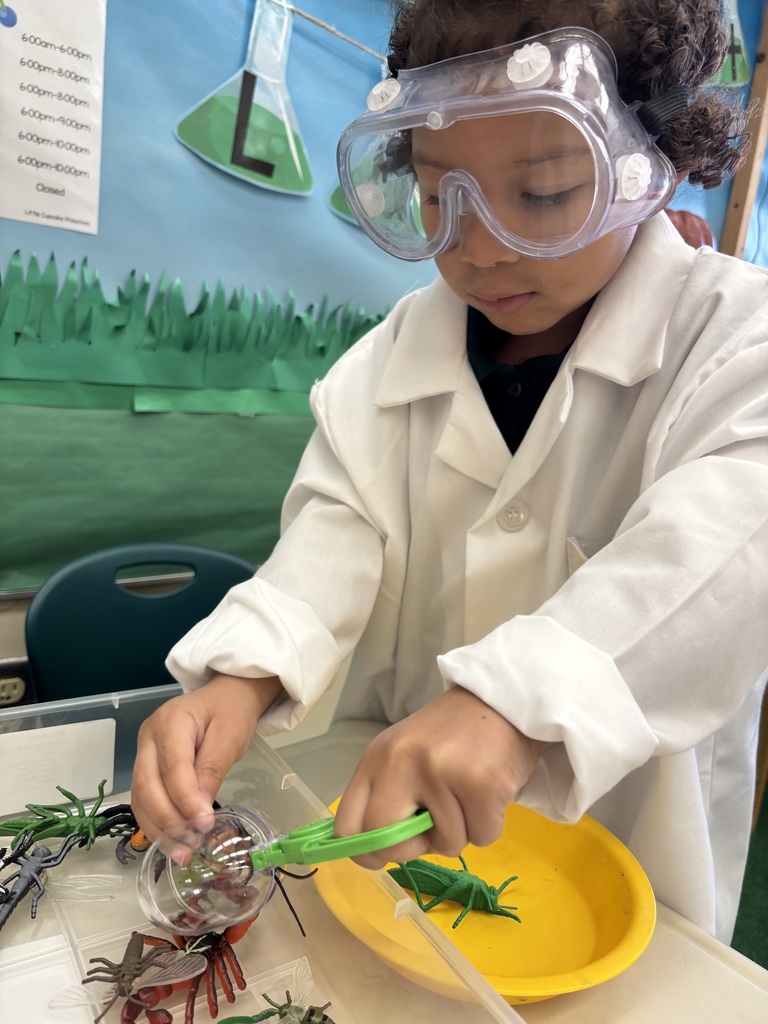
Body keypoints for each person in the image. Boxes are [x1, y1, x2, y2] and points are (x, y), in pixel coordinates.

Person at [132, 0, 768, 945]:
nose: (479, 247)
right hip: (402, 870)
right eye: (440, 195)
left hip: (630, 878)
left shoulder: (733, 342)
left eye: (547, 192)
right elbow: (334, 532)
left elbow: (724, 550)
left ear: (654, 155)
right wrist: (245, 671)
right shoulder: (390, 358)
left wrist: (520, 703)